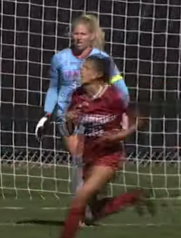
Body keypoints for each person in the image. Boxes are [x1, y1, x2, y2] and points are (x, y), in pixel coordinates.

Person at [50, 55, 152, 238]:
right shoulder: (77, 96)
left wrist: (121, 134)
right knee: (92, 213)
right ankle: (132, 197)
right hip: (89, 155)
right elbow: (70, 127)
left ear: (97, 75)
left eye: (85, 68)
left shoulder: (114, 97)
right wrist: (69, 121)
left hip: (109, 156)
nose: (80, 71)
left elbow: (140, 119)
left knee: (81, 196)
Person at [36, 14, 129, 224]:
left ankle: (89, 203)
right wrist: (46, 114)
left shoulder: (102, 59)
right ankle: (80, 211)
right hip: (67, 115)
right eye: (75, 33)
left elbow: (120, 87)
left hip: (96, 118)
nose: (78, 37)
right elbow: (53, 88)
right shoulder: (59, 58)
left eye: (83, 34)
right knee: (79, 159)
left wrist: (122, 110)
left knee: (94, 163)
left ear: (92, 36)